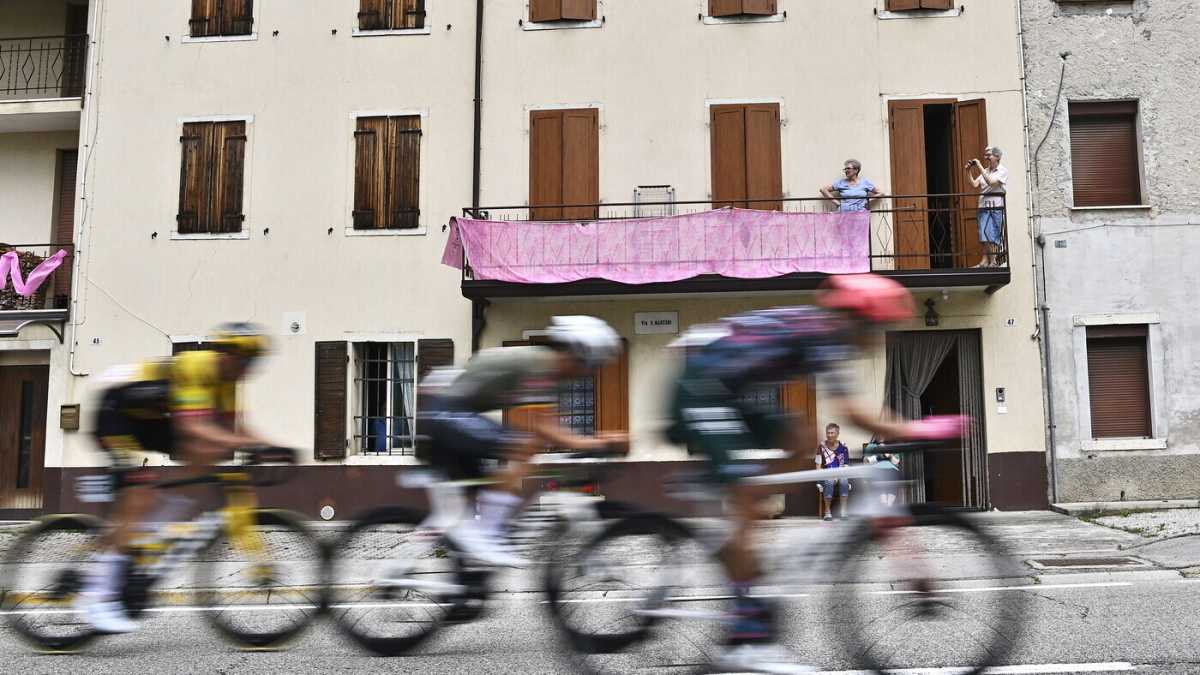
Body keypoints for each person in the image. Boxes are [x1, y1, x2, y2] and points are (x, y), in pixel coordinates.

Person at [668, 274, 967, 672]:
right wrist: (919, 428)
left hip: (725, 391)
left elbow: (844, 415)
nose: (873, 337)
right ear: (856, 320)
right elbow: (853, 412)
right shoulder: (823, 334)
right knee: (746, 495)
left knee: (801, 435)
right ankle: (747, 638)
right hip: (698, 390)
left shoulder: (823, 333)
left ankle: (732, 492)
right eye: (874, 327)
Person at [78, 323, 285, 634]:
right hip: (115, 410)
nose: (249, 369)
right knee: (140, 488)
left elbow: (236, 430)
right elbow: (194, 427)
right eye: (246, 361)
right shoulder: (195, 365)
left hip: (150, 419)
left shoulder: (229, 383)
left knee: (204, 457)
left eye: (255, 362)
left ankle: (160, 523)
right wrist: (248, 445)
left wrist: (275, 447)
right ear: (226, 355)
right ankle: (98, 597)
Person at [421, 316, 628, 566]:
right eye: (592, 364)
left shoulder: (551, 375)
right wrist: (594, 443)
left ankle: (470, 567)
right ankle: (487, 534)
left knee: (478, 497)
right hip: (444, 412)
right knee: (520, 446)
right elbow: (541, 425)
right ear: (579, 353)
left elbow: (545, 427)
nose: (589, 371)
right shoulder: (541, 364)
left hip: (451, 413)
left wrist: (585, 442)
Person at [965, 146, 1008, 267]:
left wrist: (978, 166)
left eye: (989, 155)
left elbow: (990, 182)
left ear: (997, 157)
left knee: (992, 233)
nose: (987, 158)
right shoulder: (985, 170)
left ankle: (993, 261)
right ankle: (984, 261)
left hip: (996, 207)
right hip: (983, 206)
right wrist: (967, 171)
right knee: (983, 234)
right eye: (986, 155)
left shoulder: (1002, 171)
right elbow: (974, 184)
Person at [816, 422, 851, 521]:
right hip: (825, 474)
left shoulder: (843, 446)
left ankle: (844, 511)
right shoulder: (821, 447)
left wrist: (838, 474)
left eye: (832, 433)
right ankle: (827, 512)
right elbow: (818, 467)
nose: (829, 435)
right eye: (828, 433)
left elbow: (846, 465)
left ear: (837, 434)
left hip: (840, 473)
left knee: (844, 480)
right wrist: (829, 475)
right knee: (829, 480)